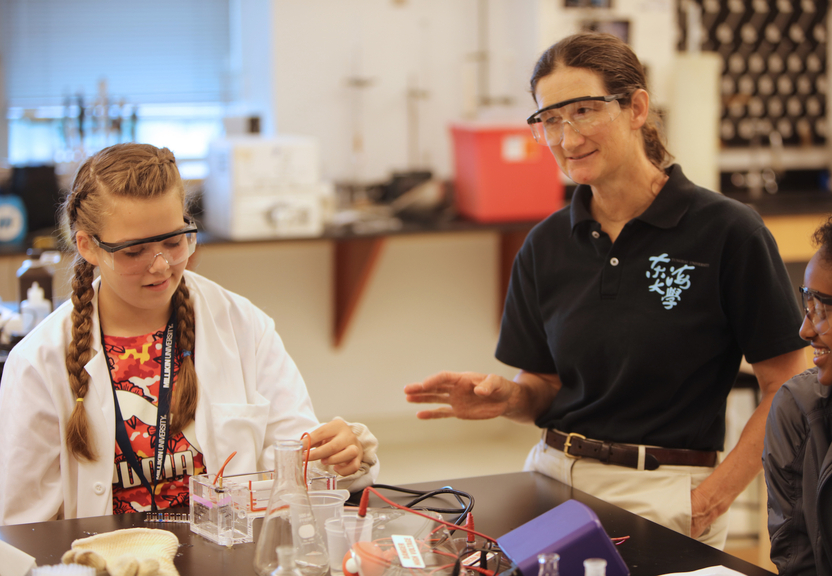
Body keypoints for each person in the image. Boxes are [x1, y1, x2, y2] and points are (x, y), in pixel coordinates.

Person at [404, 32, 806, 549]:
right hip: (548, 481)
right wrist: (510, 397)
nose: (567, 139)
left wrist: (711, 496)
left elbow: (786, 384)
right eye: (550, 119)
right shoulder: (545, 244)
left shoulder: (728, 231)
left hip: (662, 491)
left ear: (637, 108)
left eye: (585, 111)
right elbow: (543, 388)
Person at [0, 143, 379, 525]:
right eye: (135, 251)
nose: (161, 266)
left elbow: (296, 466)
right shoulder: (38, 362)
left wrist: (339, 456)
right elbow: (23, 528)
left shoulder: (243, 326)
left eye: (174, 241)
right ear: (88, 247)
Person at [763, 218, 832, 575]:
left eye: (822, 309)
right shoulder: (798, 412)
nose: (805, 329)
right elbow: (798, 564)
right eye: (808, 304)